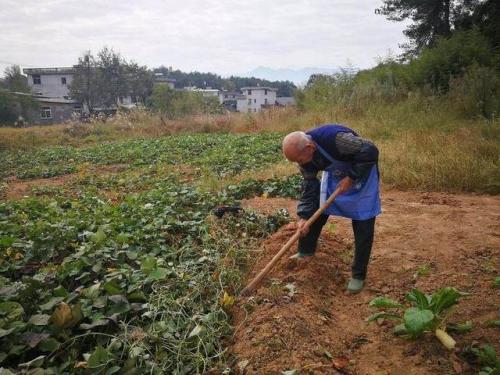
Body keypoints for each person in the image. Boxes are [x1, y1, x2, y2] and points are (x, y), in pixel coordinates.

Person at [282, 124, 381, 293]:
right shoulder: (305, 157)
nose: (300, 164)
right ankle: (305, 251)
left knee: (363, 224)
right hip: (336, 175)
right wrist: (304, 216)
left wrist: (351, 178)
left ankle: (358, 275)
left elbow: (370, 150)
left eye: (299, 160)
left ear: (310, 147)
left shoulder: (337, 140)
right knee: (316, 214)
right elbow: (310, 186)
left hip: (361, 175)